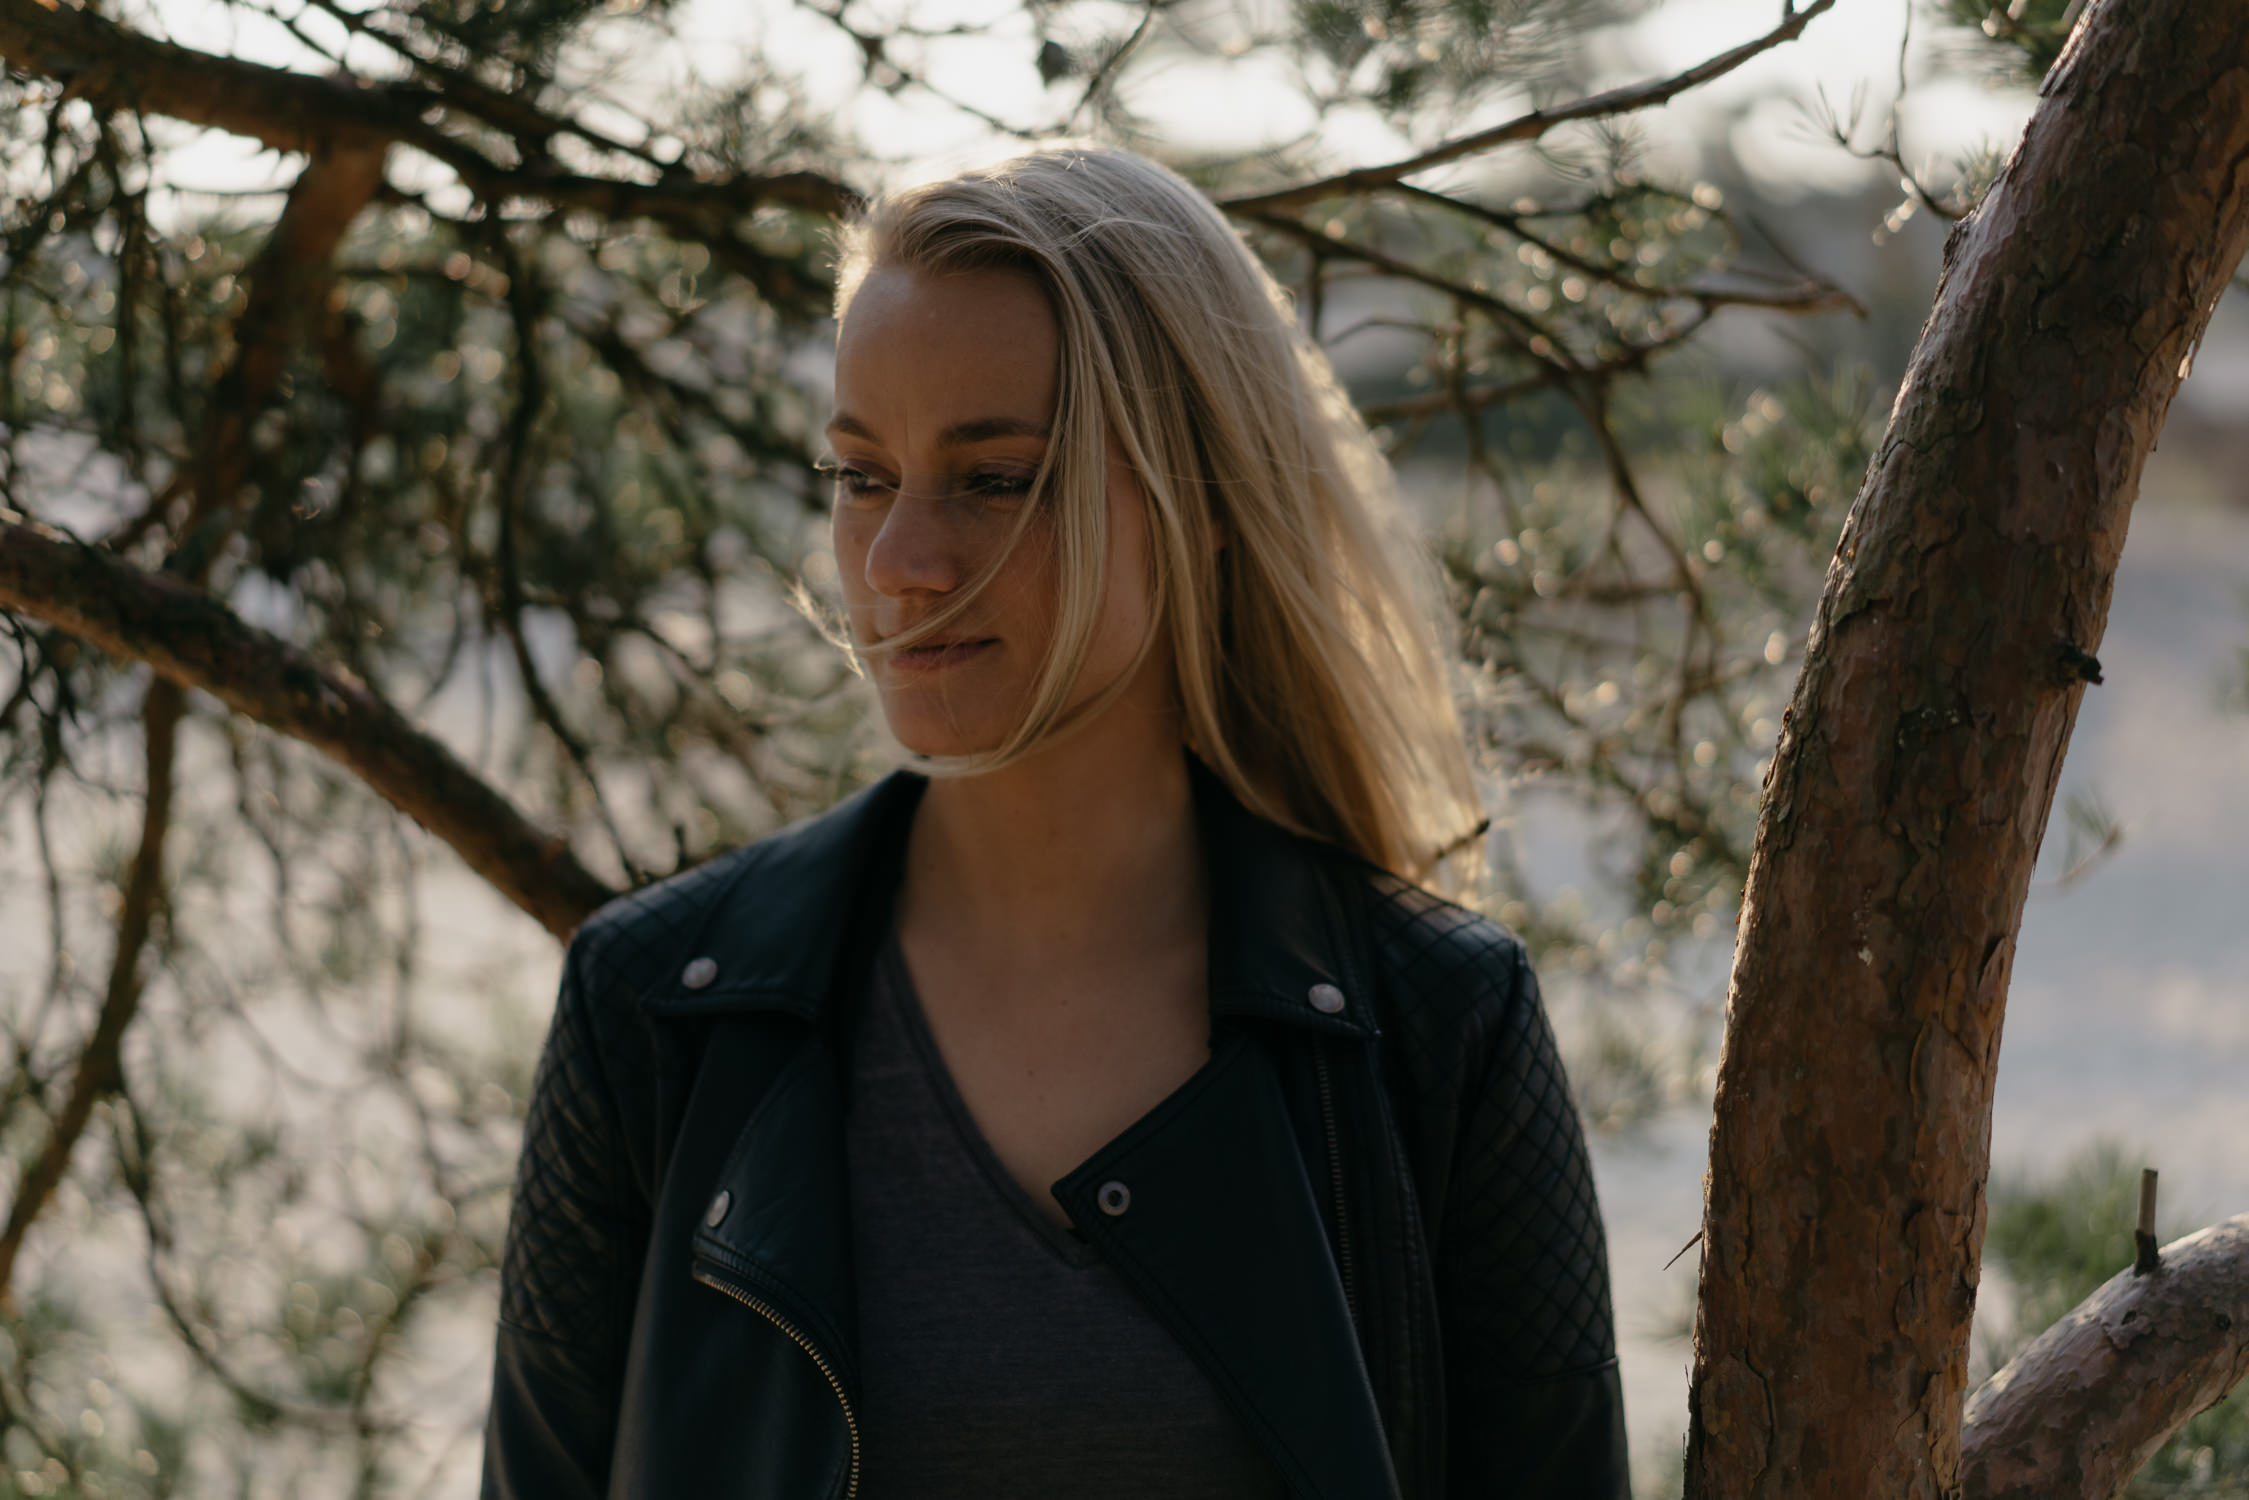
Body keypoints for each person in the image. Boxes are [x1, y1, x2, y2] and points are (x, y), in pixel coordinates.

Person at [482, 145, 1627, 1500]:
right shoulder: (658, 1014)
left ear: (1197, 499)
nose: (902, 561)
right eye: (862, 475)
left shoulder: (1436, 1028)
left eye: (997, 478)